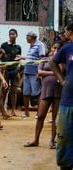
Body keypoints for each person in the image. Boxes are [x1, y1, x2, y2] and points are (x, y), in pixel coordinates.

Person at [24, 41, 63, 149]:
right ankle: (36, 139)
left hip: (58, 91)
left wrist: (57, 60)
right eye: (54, 48)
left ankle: (52, 141)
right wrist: (54, 73)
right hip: (46, 90)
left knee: (55, 117)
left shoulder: (61, 60)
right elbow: (39, 72)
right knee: (40, 115)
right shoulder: (45, 59)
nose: (55, 50)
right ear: (51, 48)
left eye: (58, 49)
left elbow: (63, 70)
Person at [50, 22, 73, 170]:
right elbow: (53, 62)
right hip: (68, 100)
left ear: (71, 32)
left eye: (65, 31)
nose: (64, 34)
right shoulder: (67, 48)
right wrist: (61, 80)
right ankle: (65, 165)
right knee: (64, 135)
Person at [16, 31, 45, 118]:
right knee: (25, 92)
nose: (26, 38)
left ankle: (39, 113)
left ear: (31, 37)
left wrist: (39, 72)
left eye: (27, 36)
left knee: (37, 93)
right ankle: (26, 113)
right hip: (27, 72)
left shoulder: (40, 45)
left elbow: (42, 59)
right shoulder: (31, 46)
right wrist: (22, 57)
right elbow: (31, 58)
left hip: (34, 72)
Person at [1, 29, 22, 116]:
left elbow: (18, 58)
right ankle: (3, 111)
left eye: (13, 34)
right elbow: (1, 57)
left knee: (14, 91)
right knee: (4, 90)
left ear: (16, 35)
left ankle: (13, 110)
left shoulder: (18, 47)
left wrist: (17, 70)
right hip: (6, 70)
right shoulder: (4, 45)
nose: (12, 36)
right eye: (10, 34)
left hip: (14, 70)